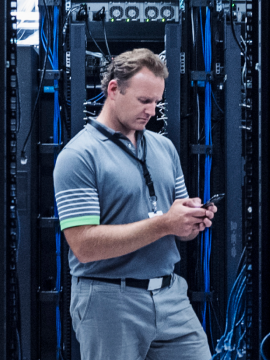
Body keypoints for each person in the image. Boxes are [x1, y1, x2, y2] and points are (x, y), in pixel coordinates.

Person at [53, 48, 217, 360]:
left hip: (170, 297)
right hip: (109, 301)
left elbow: (178, 230)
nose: (153, 111)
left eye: (157, 102)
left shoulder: (164, 148)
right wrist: (164, 223)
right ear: (114, 90)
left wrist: (190, 222)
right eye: (144, 101)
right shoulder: (79, 156)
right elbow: (84, 246)